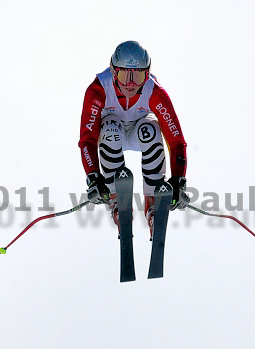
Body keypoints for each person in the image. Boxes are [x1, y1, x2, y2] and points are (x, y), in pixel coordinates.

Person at [78, 41, 190, 237]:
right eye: (124, 75)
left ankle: (154, 203)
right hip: (112, 134)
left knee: (151, 129)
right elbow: (87, 139)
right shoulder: (98, 89)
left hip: (140, 130)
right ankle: (116, 199)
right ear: (114, 72)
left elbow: (176, 140)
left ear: (147, 74)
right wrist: (93, 177)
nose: (130, 83)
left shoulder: (154, 91)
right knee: (111, 126)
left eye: (137, 75)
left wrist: (178, 180)